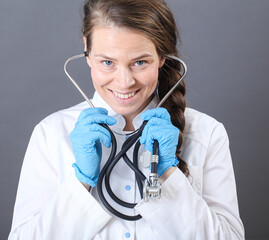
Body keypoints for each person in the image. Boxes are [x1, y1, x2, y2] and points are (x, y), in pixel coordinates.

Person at [9, 0, 245, 239]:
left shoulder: (207, 133)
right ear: (87, 51)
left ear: (162, 56)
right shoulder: (51, 134)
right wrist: (80, 181)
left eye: (140, 62)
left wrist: (169, 175)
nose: (124, 82)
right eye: (107, 62)